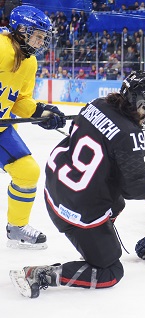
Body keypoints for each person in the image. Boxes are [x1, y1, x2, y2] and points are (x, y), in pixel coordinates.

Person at [9, 71, 145, 298]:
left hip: (54, 190)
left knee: (116, 203)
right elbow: (135, 187)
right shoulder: (130, 134)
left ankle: (93, 245)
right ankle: (38, 274)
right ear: (140, 103)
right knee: (111, 270)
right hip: (76, 211)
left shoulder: (96, 104)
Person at [0, 5, 67, 250]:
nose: (41, 42)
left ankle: (16, 227)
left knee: (28, 172)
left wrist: (42, 113)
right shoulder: (0, 47)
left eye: (43, 37)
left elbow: (19, 101)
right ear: (21, 30)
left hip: (1, 130)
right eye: (37, 35)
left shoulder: (29, 63)